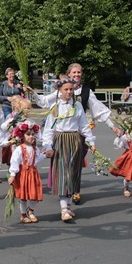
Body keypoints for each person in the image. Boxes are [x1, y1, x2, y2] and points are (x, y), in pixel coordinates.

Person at [42, 78, 96, 222]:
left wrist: (90, 141)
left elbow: (84, 125)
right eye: (66, 89)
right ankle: (63, 209)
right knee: (63, 174)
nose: (69, 92)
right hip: (60, 141)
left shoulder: (77, 105)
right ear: (59, 91)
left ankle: (69, 206)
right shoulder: (55, 107)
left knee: (73, 173)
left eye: (71, 89)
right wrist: (48, 146)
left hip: (75, 141)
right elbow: (49, 129)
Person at [7, 120, 45, 224]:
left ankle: (31, 211)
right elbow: (14, 161)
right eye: (28, 134)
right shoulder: (20, 149)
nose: (31, 136)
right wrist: (13, 175)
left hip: (33, 173)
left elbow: (37, 159)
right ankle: (23, 215)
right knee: (23, 197)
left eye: (33, 134)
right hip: (23, 174)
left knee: (35, 195)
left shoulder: (35, 148)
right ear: (22, 136)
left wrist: (45, 155)